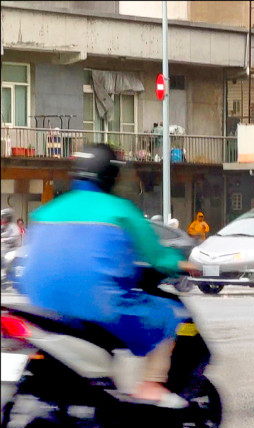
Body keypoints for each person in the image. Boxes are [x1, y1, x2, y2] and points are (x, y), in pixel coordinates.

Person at [20, 143, 195, 408]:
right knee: (167, 314)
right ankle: (150, 387)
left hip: (40, 304)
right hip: (100, 305)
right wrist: (183, 264)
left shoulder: (45, 211)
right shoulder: (121, 210)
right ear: (111, 176)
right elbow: (158, 257)